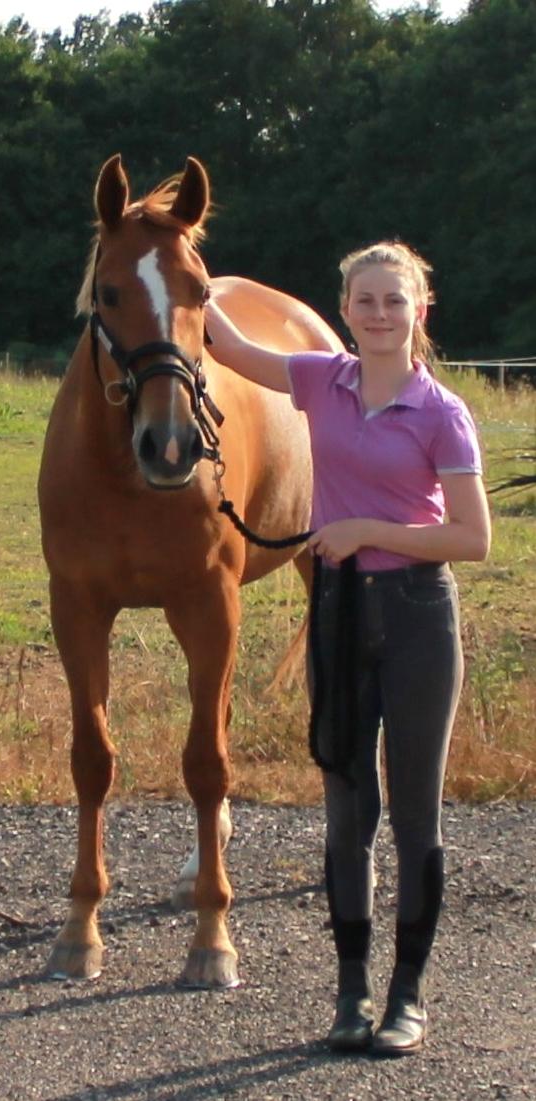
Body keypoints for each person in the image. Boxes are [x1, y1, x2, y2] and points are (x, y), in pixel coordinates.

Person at [204, 241, 491, 1056]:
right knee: (345, 812)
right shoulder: (315, 379)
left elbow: (473, 537)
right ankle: (351, 990)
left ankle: (408, 995)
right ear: (345, 311)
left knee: (414, 813)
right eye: (364, 301)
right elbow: (223, 342)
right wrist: (185, 265)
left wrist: (366, 530)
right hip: (337, 612)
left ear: (419, 310)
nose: (377, 314)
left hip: (416, 613)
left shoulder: (442, 412)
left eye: (393, 301)